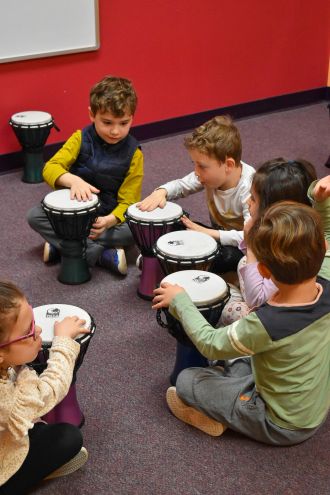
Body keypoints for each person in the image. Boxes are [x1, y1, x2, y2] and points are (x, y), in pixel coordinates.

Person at [152, 202, 330, 445]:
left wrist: (181, 301)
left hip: (279, 423)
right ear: (325, 247)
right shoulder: (326, 284)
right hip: (312, 406)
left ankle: (224, 414)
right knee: (242, 357)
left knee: (186, 380)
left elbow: (210, 343)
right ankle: (228, 391)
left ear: (264, 271)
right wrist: (322, 202)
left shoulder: (266, 324)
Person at [27, 75, 144, 276]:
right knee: (34, 216)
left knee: (135, 232)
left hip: (104, 218)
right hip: (72, 214)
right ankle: (99, 254)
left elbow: (129, 202)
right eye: (107, 122)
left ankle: (63, 246)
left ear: (132, 117)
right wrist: (73, 180)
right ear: (92, 115)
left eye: (124, 123)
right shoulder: (80, 138)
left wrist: (110, 220)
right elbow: (50, 168)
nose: (115, 131)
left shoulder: (135, 153)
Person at [0, 281, 89, 494]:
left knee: (35, 426)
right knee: (69, 438)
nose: (38, 329)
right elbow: (49, 388)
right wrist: (63, 342)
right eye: (28, 331)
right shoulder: (7, 402)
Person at [138, 115, 255, 273]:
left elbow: (250, 238)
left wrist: (207, 233)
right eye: (194, 164)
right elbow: (181, 185)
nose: (196, 172)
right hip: (216, 238)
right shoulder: (208, 176)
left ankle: (169, 264)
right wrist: (162, 191)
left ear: (228, 165)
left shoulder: (250, 188)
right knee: (178, 223)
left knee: (228, 257)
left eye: (202, 166)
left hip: (243, 250)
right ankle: (172, 262)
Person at [220, 158, 317, 324]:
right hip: (278, 301)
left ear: (273, 209)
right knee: (243, 263)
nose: (246, 201)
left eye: (253, 199)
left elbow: (257, 301)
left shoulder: (285, 253)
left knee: (229, 310)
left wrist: (250, 245)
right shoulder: (299, 231)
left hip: (281, 321)